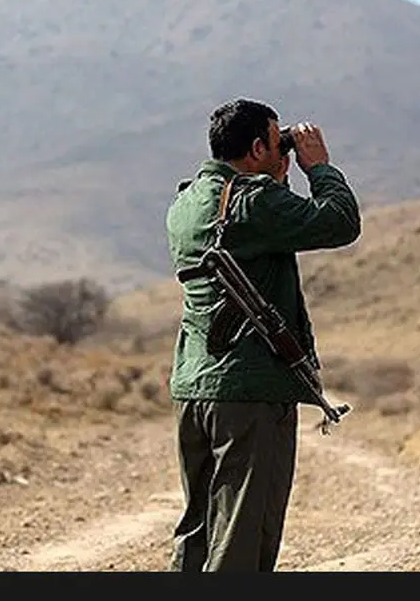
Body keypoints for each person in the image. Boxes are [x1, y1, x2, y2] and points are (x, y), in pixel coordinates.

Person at [164, 97, 362, 572]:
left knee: (200, 529)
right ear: (255, 149)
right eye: (278, 142)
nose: (285, 149)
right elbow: (340, 223)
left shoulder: (186, 201)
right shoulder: (254, 202)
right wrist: (319, 169)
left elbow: (252, 232)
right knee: (243, 536)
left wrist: (274, 176)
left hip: (195, 386)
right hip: (250, 392)